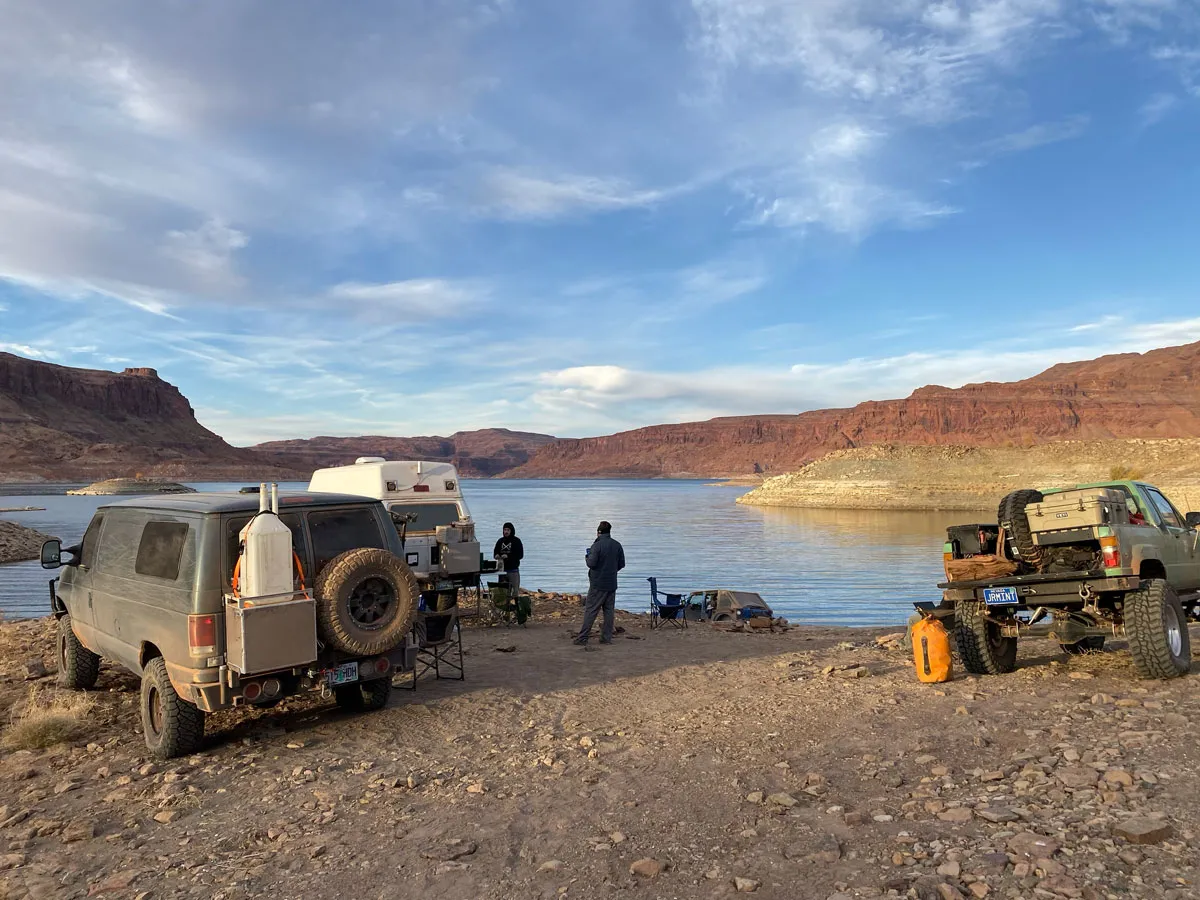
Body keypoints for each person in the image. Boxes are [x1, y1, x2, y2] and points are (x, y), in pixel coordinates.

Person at [574, 520, 625, 646]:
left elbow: (591, 564)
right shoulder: (617, 545)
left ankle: (583, 637)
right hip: (612, 583)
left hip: (597, 584)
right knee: (609, 612)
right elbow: (621, 564)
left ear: (598, 532)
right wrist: (612, 570)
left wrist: (587, 557)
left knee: (591, 610)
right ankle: (606, 638)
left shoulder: (596, 546)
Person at [493, 522, 524, 599]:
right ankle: (504, 607)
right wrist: (496, 555)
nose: (506, 532)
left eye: (508, 530)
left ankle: (516, 606)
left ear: (511, 531)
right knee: (503, 592)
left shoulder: (516, 541)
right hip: (502, 570)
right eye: (504, 530)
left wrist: (508, 556)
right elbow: (495, 552)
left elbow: (520, 555)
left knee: (515, 592)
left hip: (513, 571)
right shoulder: (500, 541)